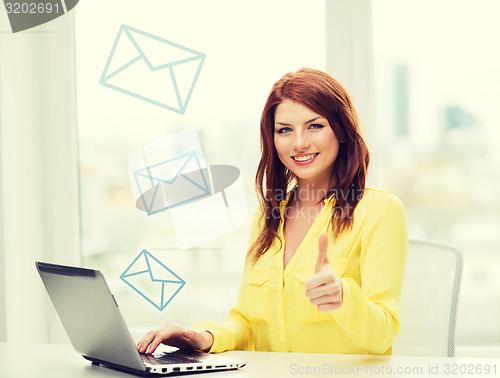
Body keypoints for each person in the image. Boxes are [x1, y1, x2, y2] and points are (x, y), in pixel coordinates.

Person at [137, 68, 408, 356]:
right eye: (285, 130)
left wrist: (342, 296)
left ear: (341, 131)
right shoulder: (268, 217)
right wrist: (201, 337)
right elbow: (247, 324)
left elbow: (382, 336)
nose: (300, 142)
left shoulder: (380, 211)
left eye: (315, 126)